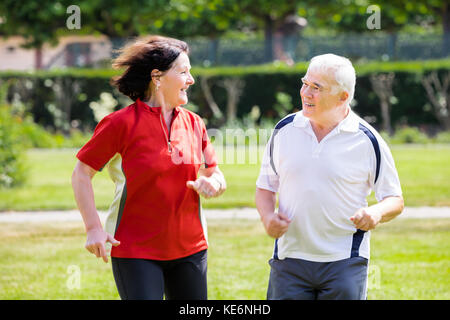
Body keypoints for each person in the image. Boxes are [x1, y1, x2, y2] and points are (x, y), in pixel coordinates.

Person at [71, 35, 226, 300]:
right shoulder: (120, 124)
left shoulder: (194, 123)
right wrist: (93, 228)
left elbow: (214, 173)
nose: (191, 80)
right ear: (157, 77)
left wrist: (214, 183)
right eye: (184, 72)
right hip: (134, 250)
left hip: (191, 248)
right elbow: (81, 174)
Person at [255, 53, 404, 300]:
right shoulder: (284, 130)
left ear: (343, 97)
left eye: (317, 88)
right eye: (305, 83)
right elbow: (265, 188)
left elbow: (395, 199)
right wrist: (267, 216)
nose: (306, 93)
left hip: (345, 261)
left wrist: (375, 213)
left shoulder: (367, 140)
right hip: (289, 260)